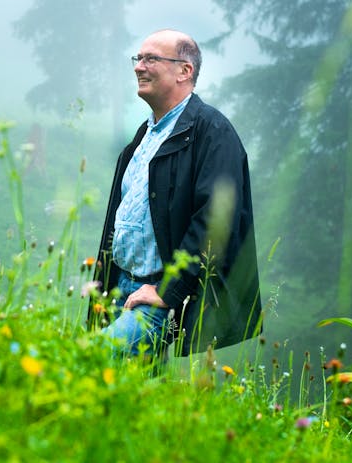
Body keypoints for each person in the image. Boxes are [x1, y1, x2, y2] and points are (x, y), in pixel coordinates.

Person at [89, 29, 262, 358]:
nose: (139, 66)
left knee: (89, 360)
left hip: (156, 293)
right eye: (138, 59)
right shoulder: (143, 137)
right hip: (120, 288)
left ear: (185, 70)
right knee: (118, 397)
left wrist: (168, 291)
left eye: (151, 58)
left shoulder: (212, 132)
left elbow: (216, 219)